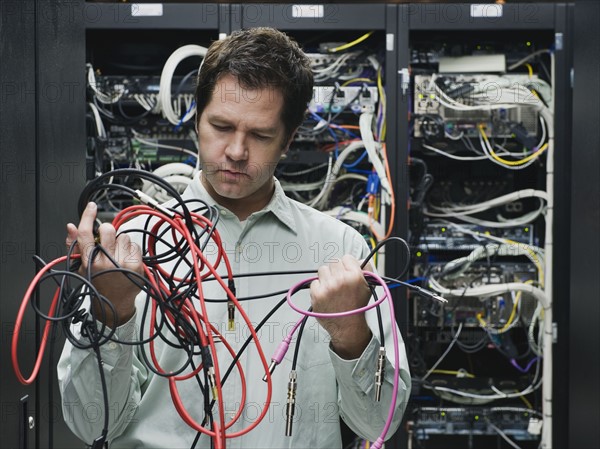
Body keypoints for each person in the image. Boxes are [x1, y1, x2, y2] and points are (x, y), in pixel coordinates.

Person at [58, 27, 411, 449]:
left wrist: (352, 333)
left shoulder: (341, 252)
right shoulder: (128, 250)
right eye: (221, 126)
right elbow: (91, 423)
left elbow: (379, 424)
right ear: (197, 117)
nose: (237, 151)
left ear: (289, 139)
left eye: (260, 135)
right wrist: (111, 312)